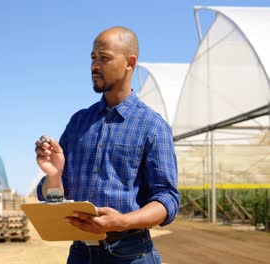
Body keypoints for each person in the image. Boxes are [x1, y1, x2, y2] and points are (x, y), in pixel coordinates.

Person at [34, 26, 179, 264]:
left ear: (130, 63)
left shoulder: (152, 126)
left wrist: (123, 221)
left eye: (104, 58)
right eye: (93, 58)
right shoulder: (79, 122)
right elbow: (58, 196)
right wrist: (55, 176)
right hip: (81, 254)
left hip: (130, 253)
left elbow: (167, 198)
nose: (94, 66)